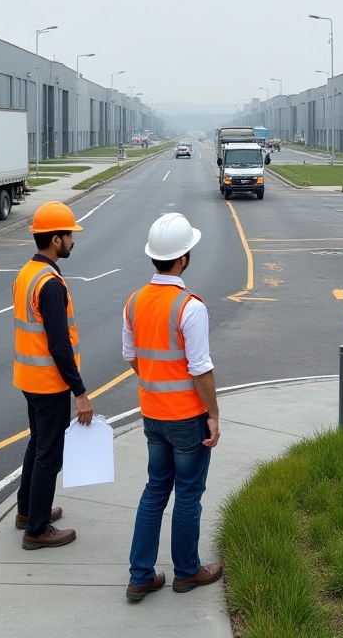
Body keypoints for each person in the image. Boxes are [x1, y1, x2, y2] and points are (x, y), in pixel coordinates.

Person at [122, 212, 222, 603]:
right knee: (188, 494)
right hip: (186, 418)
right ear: (183, 258)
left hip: (152, 415)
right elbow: (200, 369)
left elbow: (130, 355)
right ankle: (187, 572)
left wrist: (153, 381)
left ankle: (140, 576)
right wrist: (213, 414)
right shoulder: (189, 307)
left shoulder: (134, 301)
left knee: (155, 490)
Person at [13, 201, 93, 550]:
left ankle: (27, 512)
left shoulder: (27, 273)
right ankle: (37, 530)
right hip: (49, 383)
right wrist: (80, 391)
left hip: (29, 379)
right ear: (55, 239)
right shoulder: (51, 284)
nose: (73, 240)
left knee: (37, 445)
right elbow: (60, 345)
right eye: (70, 235)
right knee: (49, 455)